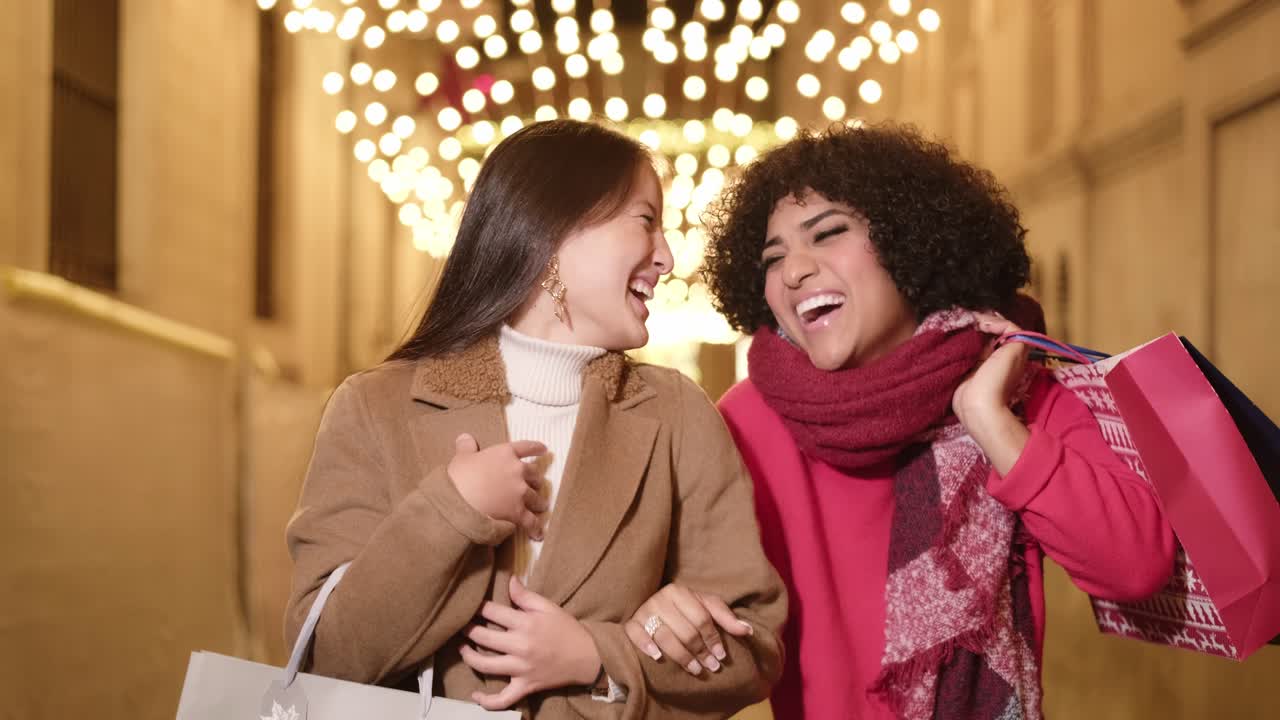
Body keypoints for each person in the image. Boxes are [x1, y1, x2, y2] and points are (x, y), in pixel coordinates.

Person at [626, 123, 1175, 720]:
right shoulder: (746, 421)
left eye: (827, 234)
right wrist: (655, 614)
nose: (793, 272)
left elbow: (1136, 567)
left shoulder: (1016, 393)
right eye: (773, 258)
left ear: (910, 243)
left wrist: (989, 421)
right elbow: (670, 603)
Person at [284, 119, 786, 719]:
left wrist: (599, 658)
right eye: (646, 220)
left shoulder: (678, 414)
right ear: (553, 231)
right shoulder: (373, 407)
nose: (668, 257)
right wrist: (451, 510)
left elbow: (753, 648)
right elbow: (323, 658)